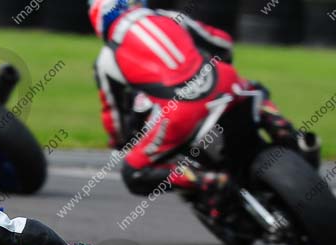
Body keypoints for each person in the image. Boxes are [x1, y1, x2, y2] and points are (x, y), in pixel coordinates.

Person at [89, 0, 320, 198]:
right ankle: (292, 136)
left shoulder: (106, 59)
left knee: (134, 172)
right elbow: (222, 43)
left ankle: (210, 181)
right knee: (252, 89)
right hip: (223, 82)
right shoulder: (170, 17)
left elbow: (114, 113)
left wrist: (120, 141)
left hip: (181, 113)